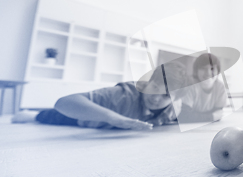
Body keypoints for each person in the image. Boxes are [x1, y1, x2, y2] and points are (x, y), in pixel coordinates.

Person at [12, 62, 186, 130]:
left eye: (165, 96)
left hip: (113, 132)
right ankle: (32, 114)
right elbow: (63, 103)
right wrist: (114, 118)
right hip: (83, 120)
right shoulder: (122, 95)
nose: (155, 98)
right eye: (154, 88)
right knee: (50, 116)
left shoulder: (173, 109)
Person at [177, 53, 227, 123]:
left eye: (212, 68)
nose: (208, 72)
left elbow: (219, 114)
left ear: (218, 71)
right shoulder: (190, 85)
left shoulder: (220, 86)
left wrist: (197, 116)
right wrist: (212, 116)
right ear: (196, 71)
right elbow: (185, 116)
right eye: (203, 68)